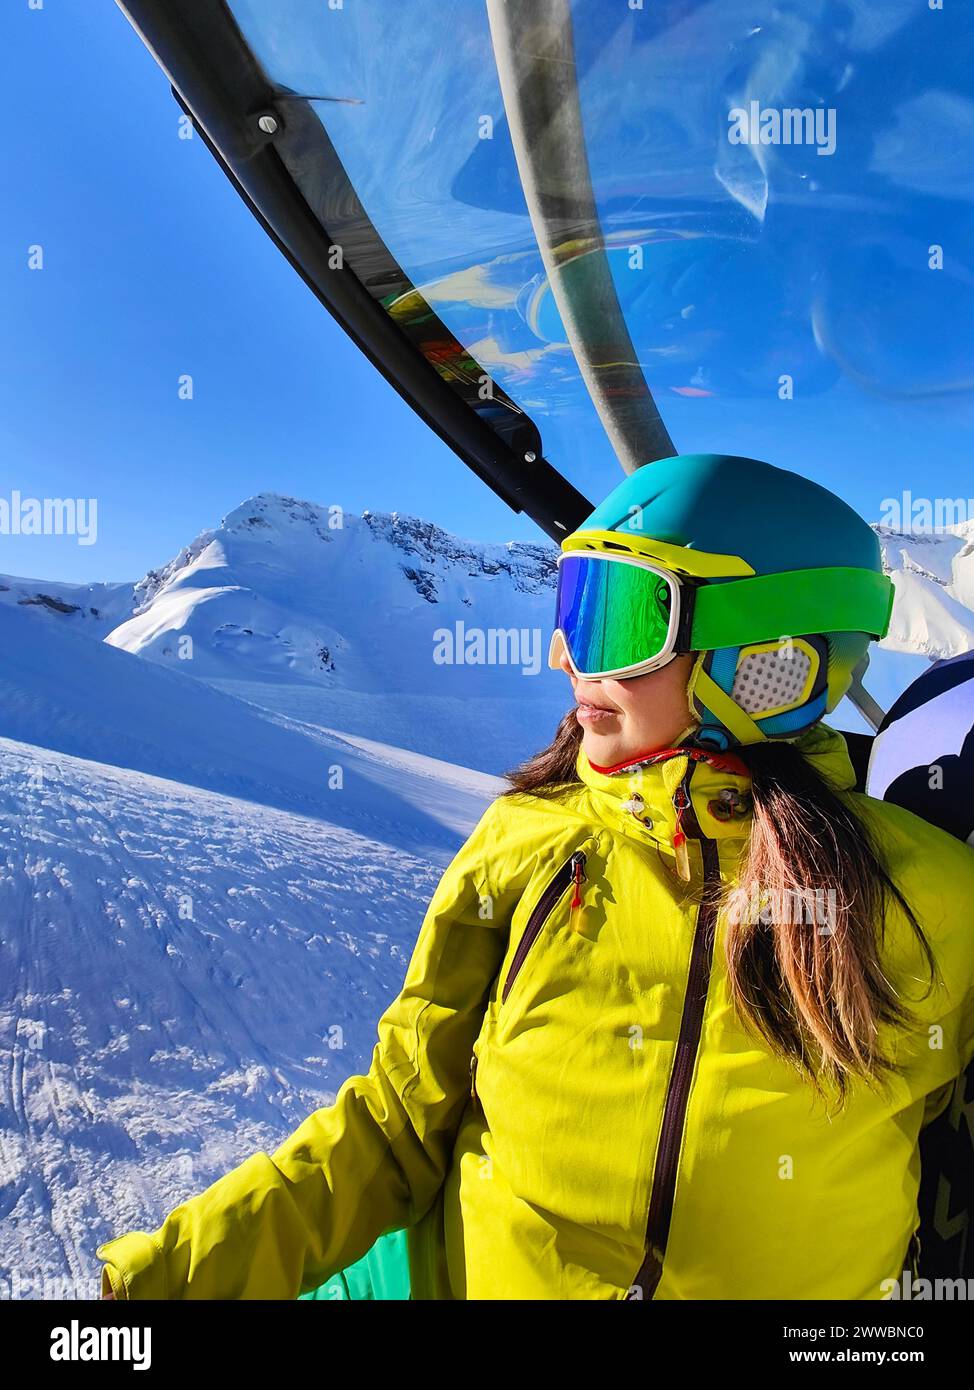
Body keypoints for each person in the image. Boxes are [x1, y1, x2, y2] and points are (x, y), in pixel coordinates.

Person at [97, 454, 974, 1300]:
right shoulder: (530, 845)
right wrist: (152, 1288)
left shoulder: (932, 893)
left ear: (768, 657)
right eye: (572, 607)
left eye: (620, 616)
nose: (568, 656)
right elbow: (396, 1127)